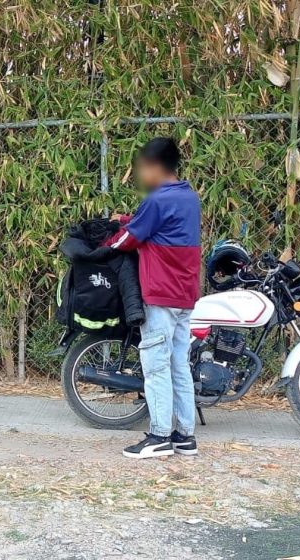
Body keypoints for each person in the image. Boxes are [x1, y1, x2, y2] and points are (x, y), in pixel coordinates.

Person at [103, 138, 202, 459]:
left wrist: (109, 240)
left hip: (160, 295)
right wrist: (128, 220)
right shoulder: (189, 197)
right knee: (178, 365)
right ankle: (185, 436)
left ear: (156, 167)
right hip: (184, 295)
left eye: (143, 167)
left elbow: (128, 241)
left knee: (156, 366)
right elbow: (156, 228)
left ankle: (159, 435)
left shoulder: (157, 200)